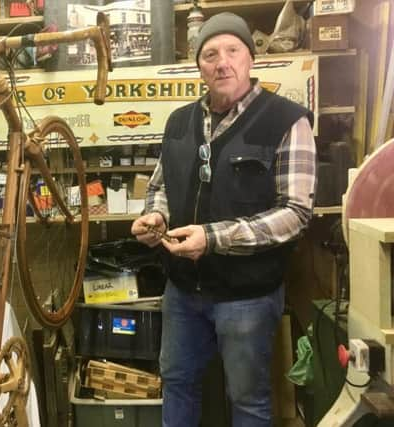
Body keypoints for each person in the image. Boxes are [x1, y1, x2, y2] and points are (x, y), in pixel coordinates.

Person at [130, 12, 316, 427]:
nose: (222, 62)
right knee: (176, 381)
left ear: (251, 60)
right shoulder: (181, 121)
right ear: (199, 66)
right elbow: (161, 184)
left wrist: (213, 238)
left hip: (247, 295)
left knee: (247, 399)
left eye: (233, 50)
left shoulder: (286, 121)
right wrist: (154, 215)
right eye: (210, 53)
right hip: (182, 291)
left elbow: (296, 214)